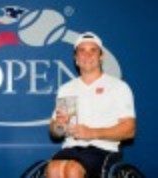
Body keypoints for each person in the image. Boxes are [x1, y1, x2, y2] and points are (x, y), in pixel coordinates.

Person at [46, 32, 136, 178]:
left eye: (93, 50)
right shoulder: (66, 89)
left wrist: (92, 133)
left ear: (101, 57)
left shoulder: (118, 87)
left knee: (73, 170)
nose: (87, 55)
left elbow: (129, 130)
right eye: (82, 50)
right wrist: (59, 125)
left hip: (104, 148)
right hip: (71, 147)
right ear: (76, 58)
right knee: (54, 169)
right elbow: (55, 131)